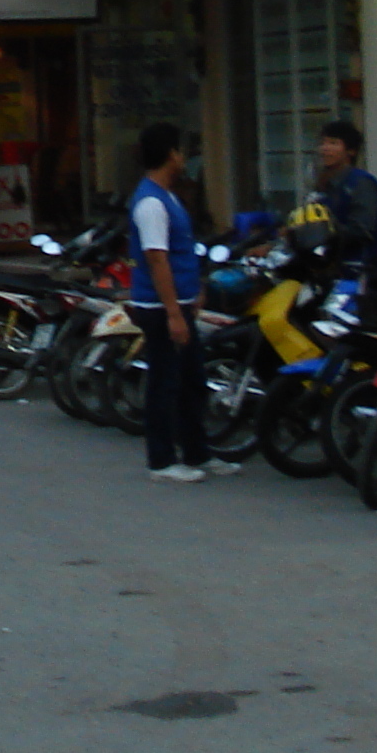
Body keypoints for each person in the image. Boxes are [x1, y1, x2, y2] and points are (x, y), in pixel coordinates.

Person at [128, 122, 238, 483]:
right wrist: (174, 312)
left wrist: (195, 290)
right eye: (180, 150)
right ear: (170, 155)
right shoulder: (150, 203)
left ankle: (197, 452)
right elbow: (157, 259)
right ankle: (160, 460)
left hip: (181, 304)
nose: (184, 157)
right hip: (161, 309)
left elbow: (180, 252)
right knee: (166, 383)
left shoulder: (168, 196)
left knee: (192, 381)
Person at [314, 120, 377, 261]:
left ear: (351, 151)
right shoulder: (325, 185)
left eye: (333, 143)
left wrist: (322, 231)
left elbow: (361, 230)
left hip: (374, 266)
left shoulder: (361, 182)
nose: (325, 148)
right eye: (323, 143)